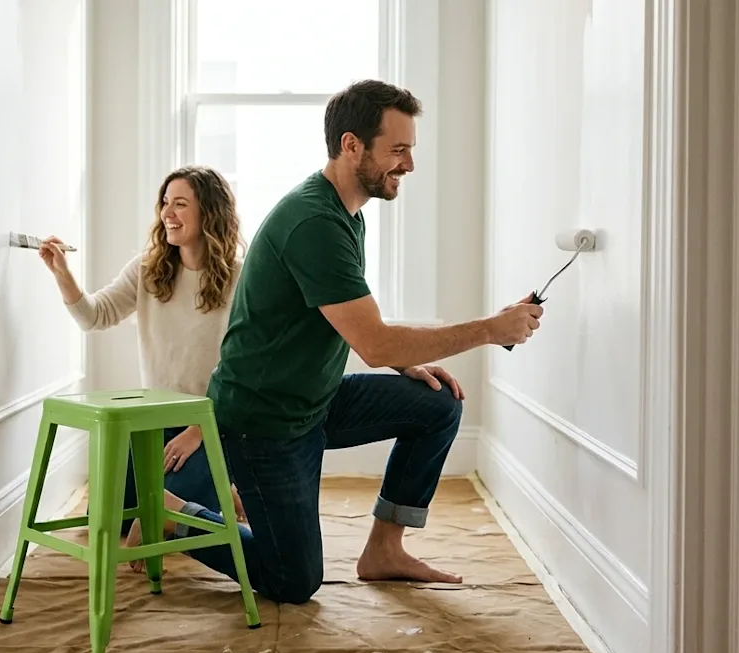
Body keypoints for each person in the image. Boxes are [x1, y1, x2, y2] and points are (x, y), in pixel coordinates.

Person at [156, 79, 545, 605]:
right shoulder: (314, 221)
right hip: (263, 425)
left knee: (436, 404)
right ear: (351, 145)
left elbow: (355, 324)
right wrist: (490, 330)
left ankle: (384, 550)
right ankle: (173, 516)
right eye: (398, 149)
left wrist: (407, 361)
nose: (408, 164)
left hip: (315, 401)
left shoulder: (346, 212)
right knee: (293, 581)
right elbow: (376, 345)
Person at [39, 165, 247, 537]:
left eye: (180, 203)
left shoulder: (241, 278)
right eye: (165, 202)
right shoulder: (147, 270)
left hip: (212, 424)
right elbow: (94, 316)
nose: (167, 212)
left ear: (210, 212)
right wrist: (62, 273)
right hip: (154, 423)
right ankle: (217, 491)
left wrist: (199, 429)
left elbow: (245, 368)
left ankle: (214, 486)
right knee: (111, 521)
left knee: (162, 512)